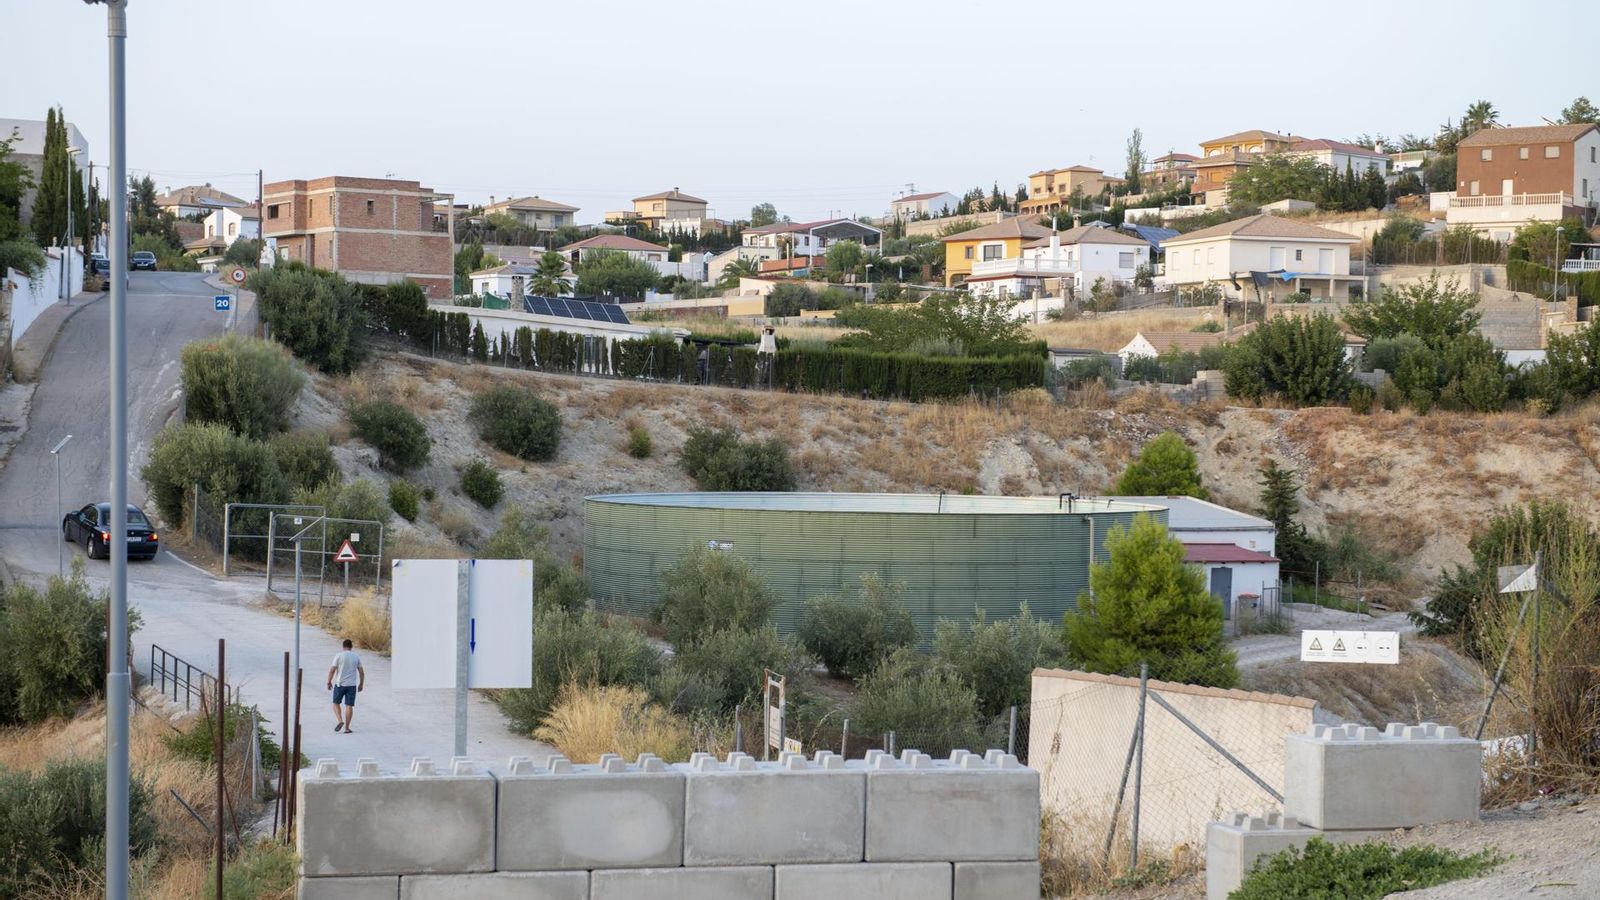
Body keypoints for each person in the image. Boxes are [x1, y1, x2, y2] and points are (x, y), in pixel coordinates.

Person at [327, 639, 365, 734]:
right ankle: (347, 728)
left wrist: (329, 681)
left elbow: (332, 670)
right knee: (349, 705)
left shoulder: (339, 655)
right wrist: (361, 684)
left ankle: (340, 720)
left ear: (343, 646)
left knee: (335, 703)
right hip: (352, 685)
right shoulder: (356, 656)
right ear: (351, 647)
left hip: (340, 684)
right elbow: (361, 672)